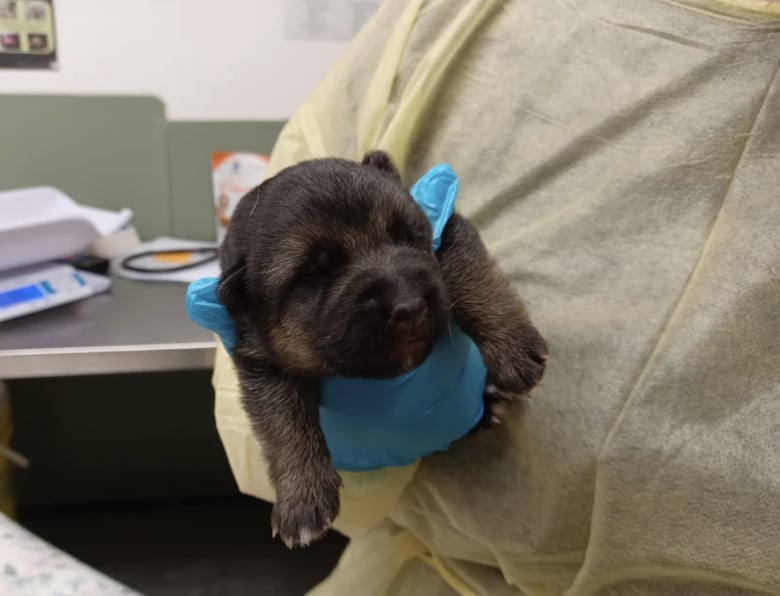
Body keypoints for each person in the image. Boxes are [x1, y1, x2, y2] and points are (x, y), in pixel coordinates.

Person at [212, 1, 780, 593]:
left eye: (407, 239)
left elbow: (450, 239)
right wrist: (304, 462)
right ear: (243, 305)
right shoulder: (439, 19)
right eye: (316, 274)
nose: (403, 295)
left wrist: (502, 330)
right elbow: (251, 372)